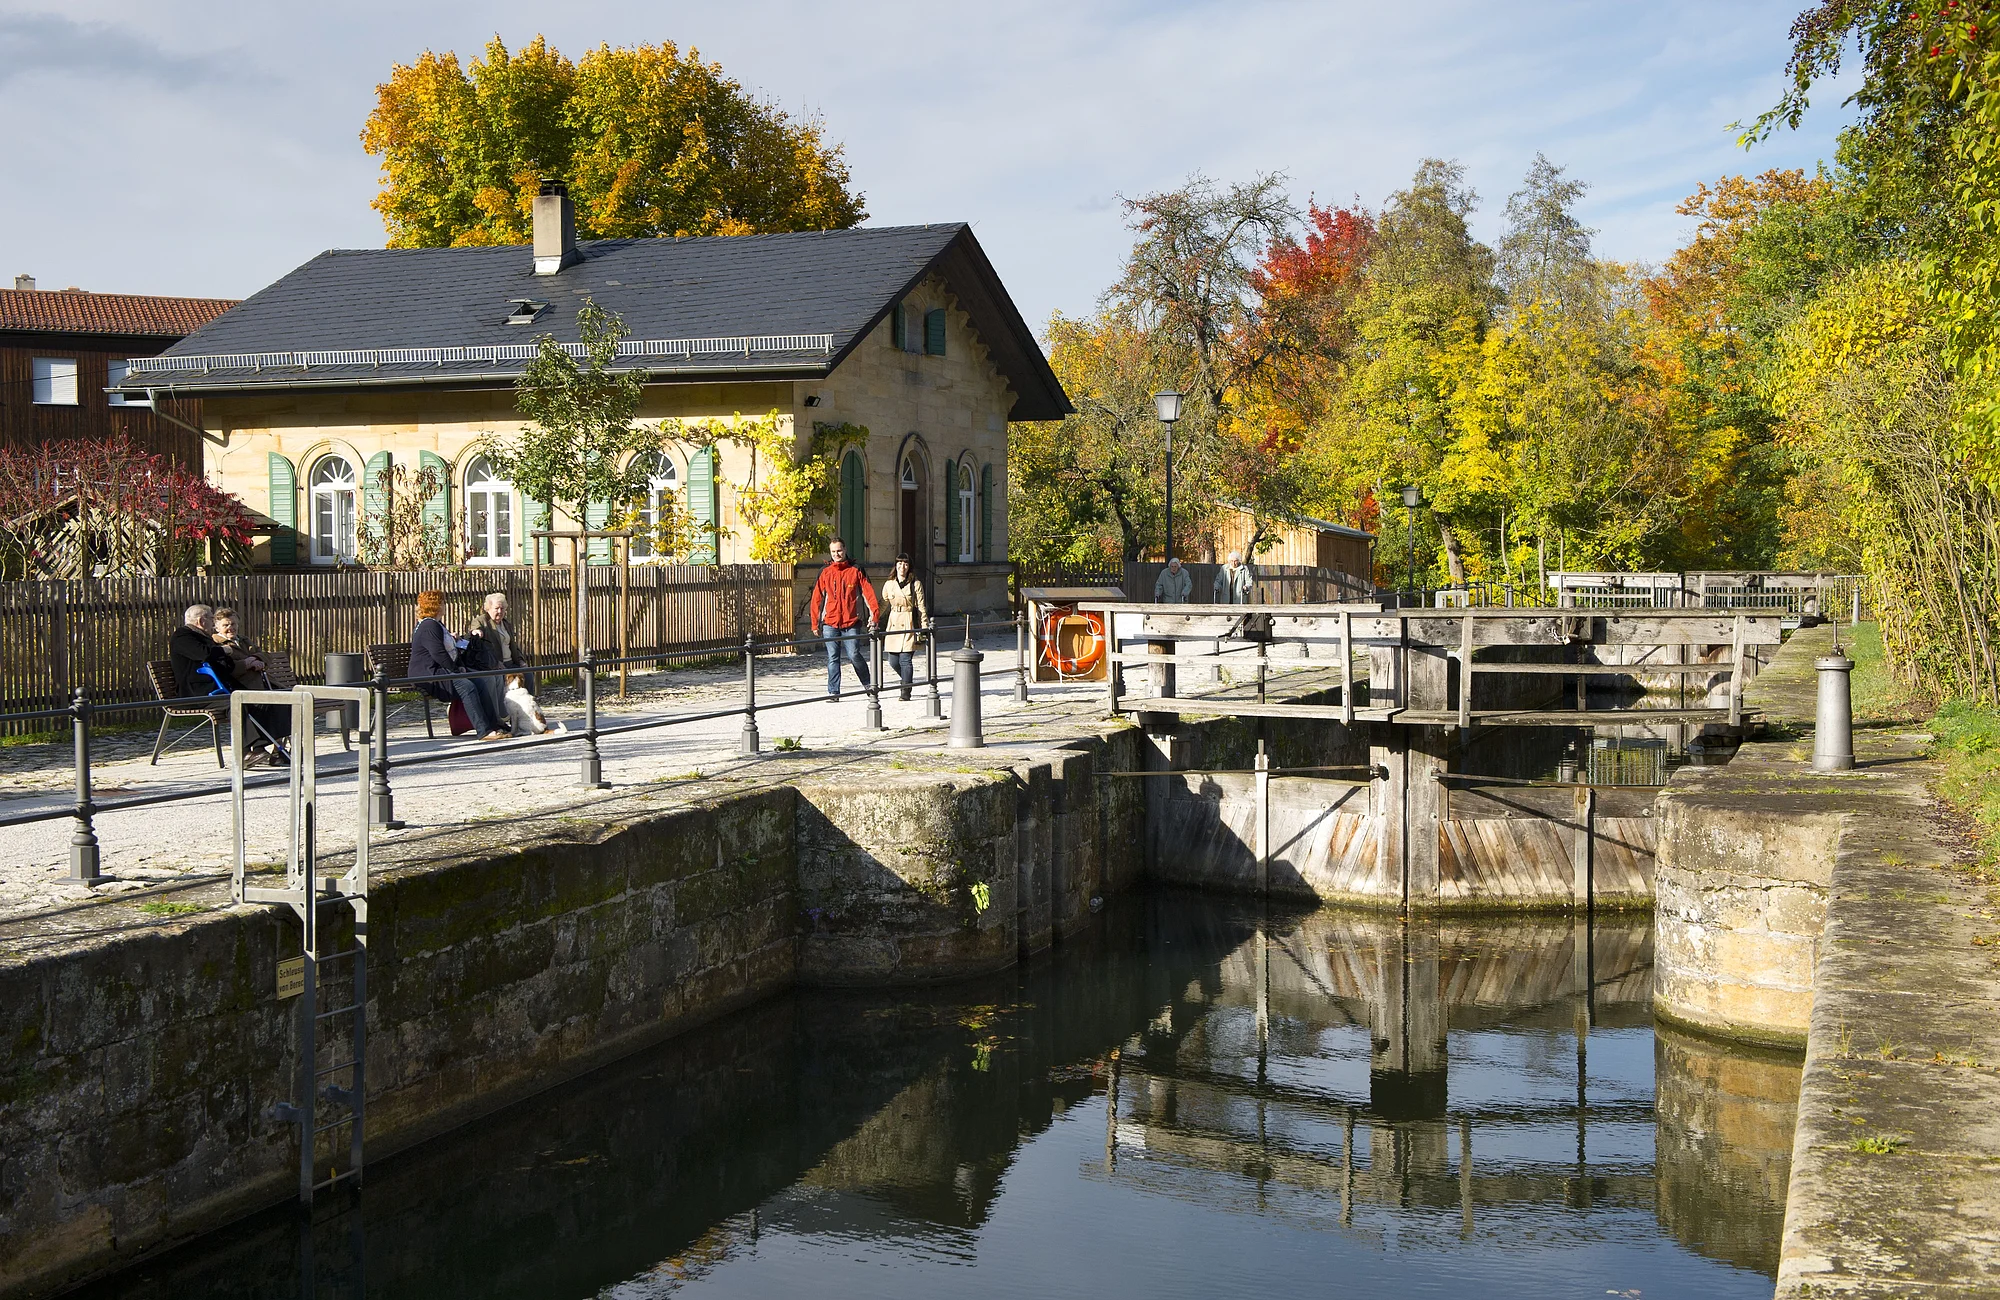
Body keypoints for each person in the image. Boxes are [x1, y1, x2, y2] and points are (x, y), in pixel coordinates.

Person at [169, 604, 290, 765]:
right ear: (200, 620)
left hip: (218, 687)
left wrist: (249, 661)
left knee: (263, 701)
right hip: (197, 692)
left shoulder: (203, 636)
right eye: (212, 618)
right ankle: (245, 753)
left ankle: (263, 750)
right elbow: (204, 654)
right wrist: (226, 651)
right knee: (238, 704)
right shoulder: (182, 636)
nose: (213, 622)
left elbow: (225, 664)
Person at [409, 590, 509, 741]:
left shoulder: (437, 624)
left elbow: (450, 649)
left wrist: (459, 665)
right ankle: (483, 731)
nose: (444, 605)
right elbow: (439, 654)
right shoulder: (429, 625)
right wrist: (456, 670)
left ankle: (494, 724)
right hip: (429, 674)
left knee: (481, 681)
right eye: (442, 602)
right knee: (466, 686)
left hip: (442, 670)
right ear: (435, 606)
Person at [808, 538, 881, 700]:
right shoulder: (825, 572)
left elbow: (869, 594)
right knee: (833, 658)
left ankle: (868, 684)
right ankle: (834, 692)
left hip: (851, 622)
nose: (836, 554)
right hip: (830, 623)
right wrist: (815, 622)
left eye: (839, 551)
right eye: (833, 552)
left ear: (845, 549)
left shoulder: (856, 570)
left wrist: (874, 616)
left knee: (854, 654)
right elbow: (816, 599)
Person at [465, 591, 531, 728]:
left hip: (510, 663)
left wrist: (521, 661)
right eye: (496, 608)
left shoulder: (506, 624)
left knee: (528, 675)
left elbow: (513, 646)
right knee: (499, 679)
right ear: (487, 608)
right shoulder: (481, 621)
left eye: (502, 608)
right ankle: (500, 717)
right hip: (494, 665)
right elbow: (473, 630)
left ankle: (524, 716)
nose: (500, 611)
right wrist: (475, 632)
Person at [879, 554, 930, 702]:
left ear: (909, 567)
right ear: (895, 566)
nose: (902, 567)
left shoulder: (915, 584)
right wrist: (874, 617)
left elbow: (921, 607)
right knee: (892, 661)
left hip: (909, 622)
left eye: (906, 564)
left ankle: (905, 691)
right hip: (894, 622)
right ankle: (907, 681)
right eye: (900, 564)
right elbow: (883, 603)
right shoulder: (889, 584)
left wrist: (924, 627)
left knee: (905, 659)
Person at [210, 608, 269, 689]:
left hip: (265, 683)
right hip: (241, 686)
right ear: (217, 628)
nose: (230, 628)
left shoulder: (244, 640)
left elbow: (265, 655)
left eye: (233, 624)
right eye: (225, 625)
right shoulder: (215, 643)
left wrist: (255, 658)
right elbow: (225, 668)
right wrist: (247, 664)